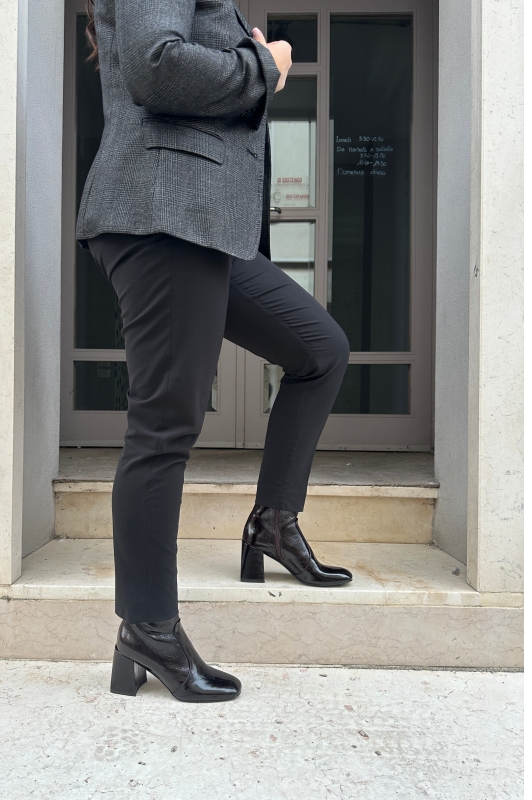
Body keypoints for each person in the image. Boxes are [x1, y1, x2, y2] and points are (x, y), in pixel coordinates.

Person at [76, 0, 353, 704]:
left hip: (206, 226)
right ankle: (148, 628)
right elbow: (156, 65)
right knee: (165, 425)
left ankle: (273, 525)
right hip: (163, 216)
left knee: (319, 348)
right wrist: (266, 64)